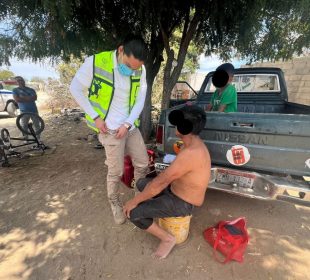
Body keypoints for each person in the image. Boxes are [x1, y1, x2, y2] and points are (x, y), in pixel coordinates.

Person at [70, 35, 150, 225]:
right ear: (121, 50)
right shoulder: (96, 62)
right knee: (116, 171)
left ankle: (138, 199)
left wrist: (128, 124)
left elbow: (140, 100)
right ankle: (114, 202)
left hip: (129, 126)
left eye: (136, 68)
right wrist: (95, 117)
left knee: (143, 163)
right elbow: (75, 88)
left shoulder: (140, 69)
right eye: (129, 66)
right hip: (109, 129)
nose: (132, 71)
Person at [123, 105, 211, 259]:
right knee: (142, 183)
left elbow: (159, 184)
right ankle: (154, 207)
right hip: (175, 190)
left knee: (132, 212)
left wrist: (134, 201)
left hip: (183, 203)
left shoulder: (191, 153)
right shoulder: (191, 142)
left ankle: (167, 239)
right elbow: (169, 176)